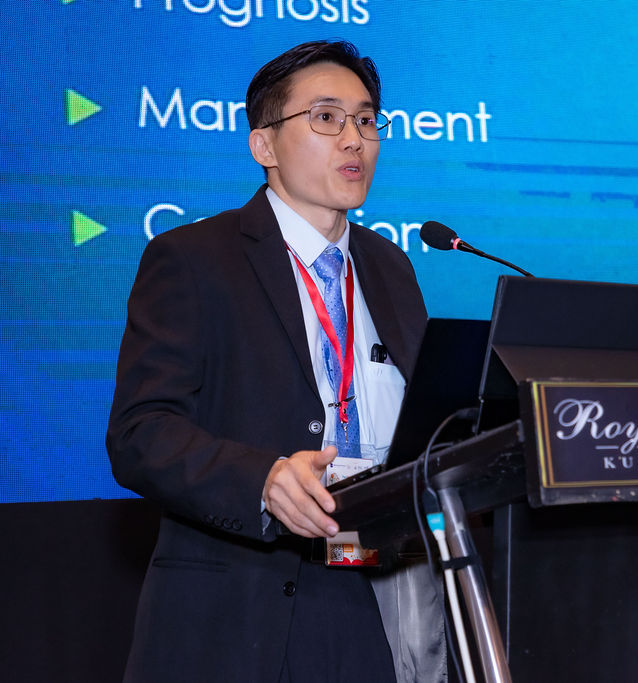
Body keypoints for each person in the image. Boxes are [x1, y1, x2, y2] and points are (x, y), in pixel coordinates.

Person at [107, 40, 443, 682]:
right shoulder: (194, 258)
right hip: (250, 603)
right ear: (264, 145)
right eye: (326, 117)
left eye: (366, 120)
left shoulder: (390, 265)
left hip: (383, 584)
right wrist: (261, 479)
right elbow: (140, 433)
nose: (354, 139)